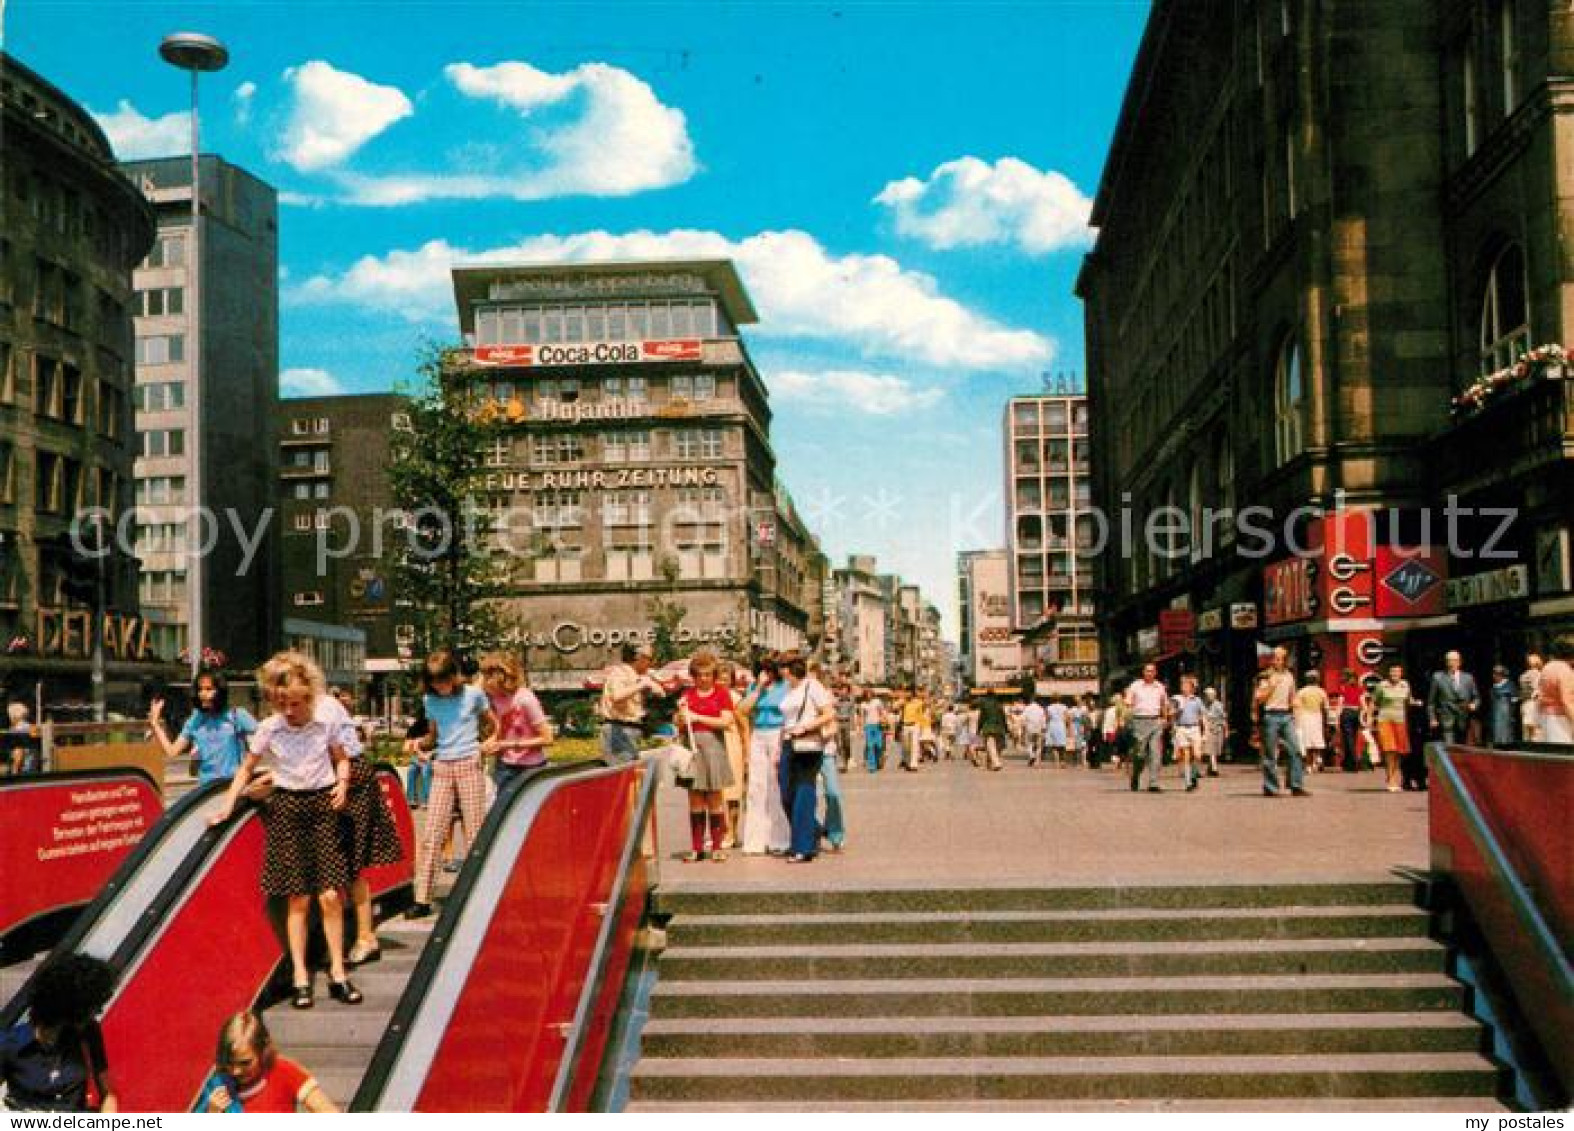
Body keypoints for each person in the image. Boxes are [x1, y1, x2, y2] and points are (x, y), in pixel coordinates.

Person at [208, 657, 357, 1009]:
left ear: (309, 697)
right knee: (298, 898)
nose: (289, 711)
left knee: (331, 896)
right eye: (281, 703)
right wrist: (228, 806)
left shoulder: (323, 725)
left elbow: (342, 758)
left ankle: (338, 970)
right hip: (288, 808)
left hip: (323, 806)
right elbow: (246, 769)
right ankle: (301, 975)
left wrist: (344, 783)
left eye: (295, 703)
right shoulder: (270, 728)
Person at [403, 650, 497, 921]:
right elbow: (434, 735)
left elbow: (493, 724)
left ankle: (478, 893)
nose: (440, 687)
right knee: (433, 833)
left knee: (475, 833)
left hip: (469, 763)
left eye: (444, 680)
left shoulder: (473, 695)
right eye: (434, 682)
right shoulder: (430, 700)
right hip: (442, 766)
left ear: (454, 676)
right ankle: (423, 898)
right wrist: (420, 745)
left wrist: (489, 744)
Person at [0, 954, 117, 1111]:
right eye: (93, 1006)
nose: (99, 1011)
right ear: (72, 1005)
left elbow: (108, 1095)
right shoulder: (8, 1044)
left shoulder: (89, 1032)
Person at [197, 1011, 337, 1113]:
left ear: (263, 1051)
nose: (235, 1071)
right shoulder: (218, 1085)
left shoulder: (282, 1070)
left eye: (245, 1063)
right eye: (229, 1062)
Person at [676, 653, 736, 863]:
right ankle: (696, 847)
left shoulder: (722, 694)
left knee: (715, 798)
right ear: (693, 676)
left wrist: (697, 717)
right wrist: (681, 716)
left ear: (714, 675)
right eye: (700, 675)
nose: (704, 679)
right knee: (695, 799)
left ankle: (717, 847)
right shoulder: (688, 695)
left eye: (708, 675)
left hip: (713, 746)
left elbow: (726, 721)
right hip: (693, 747)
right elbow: (680, 725)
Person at [778, 656, 835, 862]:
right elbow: (785, 720)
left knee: (804, 794)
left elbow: (828, 714)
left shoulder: (813, 686)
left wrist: (807, 726)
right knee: (786, 795)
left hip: (808, 744)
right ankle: (813, 830)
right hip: (788, 743)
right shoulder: (787, 689)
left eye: (784, 668)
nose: (782, 672)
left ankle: (802, 847)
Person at [738, 656, 790, 856]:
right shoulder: (755, 688)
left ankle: (779, 838)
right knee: (756, 787)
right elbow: (742, 710)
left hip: (777, 733)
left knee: (775, 786)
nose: (766, 674)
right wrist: (759, 688)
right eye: (762, 670)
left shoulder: (784, 687)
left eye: (769, 670)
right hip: (758, 733)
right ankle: (755, 840)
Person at [478, 651, 551, 792]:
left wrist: (509, 744)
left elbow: (548, 738)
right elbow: (503, 729)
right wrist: (491, 742)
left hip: (530, 768)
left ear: (500, 677)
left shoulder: (526, 699)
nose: (483, 681)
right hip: (504, 766)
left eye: (487, 677)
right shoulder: (497, 698)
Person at [598, 643, 667, 763]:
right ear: (638, 658)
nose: (651, 663)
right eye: (649, 659)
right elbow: (617, 696)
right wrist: (641, 685)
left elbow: (662, 694)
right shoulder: (619, 674)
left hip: (632, 729)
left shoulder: (640, 676)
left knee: (631, 770)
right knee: (622, 772)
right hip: (618, 729)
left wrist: (653, 684)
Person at [1254, 647, 1307, 798]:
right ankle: (1270, 786)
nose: (1276, 661)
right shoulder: (1265, 676)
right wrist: (1271, 685)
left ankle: (1296, 784)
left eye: (1280, 658)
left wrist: (1297, 716)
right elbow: (1260, 698)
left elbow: (1293, 697)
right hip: (1271, 716)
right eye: (1274, 658)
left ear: (1285, 660)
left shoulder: (1290, 676)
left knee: (1295, 750)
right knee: (1270, 752)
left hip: (1286, 715)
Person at [1368, 662, 1416, 792]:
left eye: (1397, 672)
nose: (1395, 674)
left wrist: (1416, 703)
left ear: (1401, 673)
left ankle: (1395, 775)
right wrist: (1369, 717)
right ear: (1388, 673)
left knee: (1400, 751)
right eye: (1392, 672)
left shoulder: (1405, 685)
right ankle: (1390, 778)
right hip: (1385, 720)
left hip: (1400, 720)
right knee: (1390, 749)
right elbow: (1373, 702)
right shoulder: (1382, 686)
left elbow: (1408, 700)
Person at [1124, 664, 1170, 792]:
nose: (1149, 673)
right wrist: (1128, 717)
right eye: (1147, 671)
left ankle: (1153, 783)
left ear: (1155, 673)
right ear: (1143, 672)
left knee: (1156, 753)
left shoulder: (1160, 687)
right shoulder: (1135, 686)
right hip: (1139, 721)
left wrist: (1165, 718)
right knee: (1140, 754)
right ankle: (1135, 775)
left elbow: (1164, 703)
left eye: (1152, 671)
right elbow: (1128, 703)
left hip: (1155, 721)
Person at [1427, 650, 1480, 744]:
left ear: (1459, 662)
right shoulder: (1438, 677)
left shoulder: (1468, 678)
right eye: (1449, 660)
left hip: (1463, 719)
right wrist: (1432, 718)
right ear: (1446, 662)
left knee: (1462, 749)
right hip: (1446, 719)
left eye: (1454, 660)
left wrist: (1474, 705)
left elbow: (1476, 698)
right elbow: (1431, 702)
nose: (1452, 663)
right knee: (1449, 748)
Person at [1536, 638, 1574, 745]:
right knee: (1565, 754)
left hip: (1546, 717)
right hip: (1561, 720)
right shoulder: (1565, 671)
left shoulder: (1547, 668)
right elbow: (1568, 701)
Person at [1171, 676, 1206, 791]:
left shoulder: (1197, 700)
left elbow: (1203, 716)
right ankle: (1188, 782)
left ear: (1192, 688)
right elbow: (1170, 714)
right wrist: (1176, 710)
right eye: (1182, 685)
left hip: (1195, 728)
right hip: (1182, 729)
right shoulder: (1176, 699)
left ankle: (1194, 774)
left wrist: (1205, 731)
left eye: (1186, 685)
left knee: (1197, 755)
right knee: (1185, 755)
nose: (1183, 687)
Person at [1293, 670, 1330, 773]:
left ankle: (1309, 765)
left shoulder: (1302, 692)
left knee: (1308, 742)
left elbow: (1297, 706)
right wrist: (1326, 721)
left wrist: (1296, 720)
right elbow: (1326, 707)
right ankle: (1318, 759)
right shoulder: (1321, 692)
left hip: (1305, 717)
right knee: (1318, 740)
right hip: (1317, 716)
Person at [1331, 669, 1367, 773]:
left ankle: (1352, 762)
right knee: (1353, 737)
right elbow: (1363, 704)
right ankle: (1349, 763)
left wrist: (1337, 718)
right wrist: (1363, 716)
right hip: (1356, 713)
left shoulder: (1343, 688)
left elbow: (1340, 704)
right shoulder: (1360, 689)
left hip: (1346, 712)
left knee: (1348, 738)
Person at [403, 707, 431, 809]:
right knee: (412, 770)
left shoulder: (435, 727)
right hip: (418, 757)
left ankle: (426, 800)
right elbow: (405, 748)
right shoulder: (414, 728)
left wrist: (426, 755)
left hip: (433, 756)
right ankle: (411, 799)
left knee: (425, 769)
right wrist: (415, 748)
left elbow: (440, 746)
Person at [975, 693, 1008, 771]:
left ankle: (996, 763)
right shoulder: (999, 705)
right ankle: (990, 764)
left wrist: (978, 729)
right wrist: (1006, 729)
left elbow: (981, 718)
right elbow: (1003, 718)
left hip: (988, 728)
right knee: (997, 747)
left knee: (990, 746)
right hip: (999, 728)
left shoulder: (984, 706)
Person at [4, 702, 36, 775]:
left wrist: (14, 770)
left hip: (23, 769)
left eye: (9, 715)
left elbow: (18, 751)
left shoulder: (17, 729)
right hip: (30, 766)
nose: (9, 717)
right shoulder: (29, 726)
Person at [1201, 688, 1227, 777]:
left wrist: (1226, 729)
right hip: (1209, 729)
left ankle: (1211, 768)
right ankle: (1214, 768)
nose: (1207, 697)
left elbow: (1223, 717)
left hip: (1217, 729)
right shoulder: (1204, 705)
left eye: (1209, 695)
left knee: (1214, 750)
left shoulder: (1218, 705)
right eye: (1206, 695)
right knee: (1210, 749)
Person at [1518, 652, 1544, 742]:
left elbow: (1523, 692)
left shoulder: (1522, 676)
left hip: (1525, 704)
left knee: (1526, 731)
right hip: (1535, 704)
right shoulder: (1540, 675)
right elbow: (1538, 690)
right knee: (1536, 731)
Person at [1488, 665, 1516, 748]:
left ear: (1501, 675)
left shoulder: (1509, 685)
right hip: (1496, 712)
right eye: (1494, 674)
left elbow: (1514, 699)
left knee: (1506, 731)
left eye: (1496, 674)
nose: (1494, 676)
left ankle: (1506, 744)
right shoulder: (1493, 687)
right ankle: (1498, 743)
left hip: (1506, 711)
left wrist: (1512, 711)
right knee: (1497, 728)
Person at [860, 691, 887, 773]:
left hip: (878, 725)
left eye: (870, 694)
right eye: (867, 695)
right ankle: (872, 766)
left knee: (879, 745)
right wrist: (861, 728)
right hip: (868, 726)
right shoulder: (863, 704)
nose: (868, 696)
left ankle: (879, 761)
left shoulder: (877, 701)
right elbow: (862, 716)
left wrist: (884, 719)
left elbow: (882, 712)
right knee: (870, 745)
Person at [1020, 697, 1047, 767]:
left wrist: (1023, 728)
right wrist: (1044, 729)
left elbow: (1023, 719)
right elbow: (1043, 720)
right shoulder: (1041, 709)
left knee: (1029, 744)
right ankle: (1037, 761)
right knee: (1039, 746)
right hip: (1039, 728)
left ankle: (1032, 755)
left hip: (1029, 728)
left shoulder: (1027, 708)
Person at [1046, 698, 1070, 768]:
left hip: (1053, 725)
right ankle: (1063, 762)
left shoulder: (1049, 707)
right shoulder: (1064, 706)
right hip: (1061, 726)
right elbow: (1067, 717)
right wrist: (1068, 727)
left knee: (1054, 746)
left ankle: (1057, 763)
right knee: (1062, 745)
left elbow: (1048, 718)